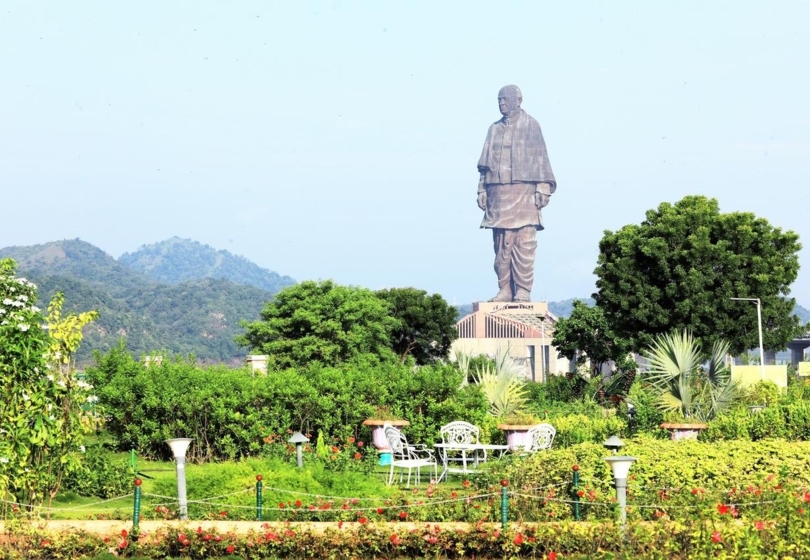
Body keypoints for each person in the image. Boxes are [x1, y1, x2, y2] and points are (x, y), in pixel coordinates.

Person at [477, 85, 556, 303]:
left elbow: (541, 159)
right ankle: (505, 289)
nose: (501, 103)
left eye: (505, 99)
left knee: (524, 242)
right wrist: (482, 189)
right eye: (499, 99)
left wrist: (543, 187)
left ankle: (523, 290)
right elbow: (484, 167)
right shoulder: (493, 129)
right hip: (499, 193)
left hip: (525, 192)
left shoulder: (531, 125)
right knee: (503, 244)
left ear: (518, 100)